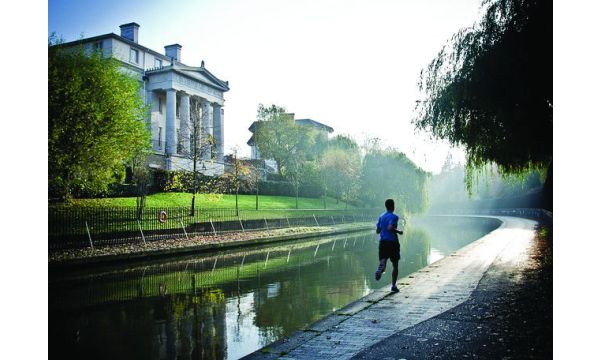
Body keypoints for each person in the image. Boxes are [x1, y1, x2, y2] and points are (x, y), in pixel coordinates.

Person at [375, 199, 404, 292]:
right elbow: (390, 227)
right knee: (395, 265)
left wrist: (383, 229)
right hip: (392, 242)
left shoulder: (381, 216)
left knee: (383, 261)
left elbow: (377, 231)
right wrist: (399, 231)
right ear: (393, 206)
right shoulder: (395, 216)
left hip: (383, 242)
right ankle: (393, 285)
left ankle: (380, 269)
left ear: (386, 206)